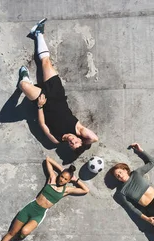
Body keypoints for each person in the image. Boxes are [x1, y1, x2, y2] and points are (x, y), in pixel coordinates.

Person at [0, 156, 89, 241]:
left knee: (24, 232)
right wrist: (62, 170)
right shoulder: (52, 179)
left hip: (39, 214)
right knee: (11, 232)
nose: (62, 180)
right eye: (62, 176)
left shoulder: (66, 190)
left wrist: (75, 179)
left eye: (65, 179)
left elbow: (85, 190)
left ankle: (18, 239)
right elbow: (48, 159)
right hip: (30, 208)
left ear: (68, 181)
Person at [17, 18, 98, 152]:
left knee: (23, 86)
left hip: (42, 100)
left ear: (69, 146)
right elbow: (94, 138)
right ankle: (37, 33)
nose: (73, 141)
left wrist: (40, 106)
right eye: (77, 141)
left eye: (72, 144)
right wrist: (84, 141)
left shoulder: (56, 139)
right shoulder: (78, 129)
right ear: (80, 139)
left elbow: (43, 124)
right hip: (57, 93)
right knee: (46, 62)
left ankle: (25, 78)